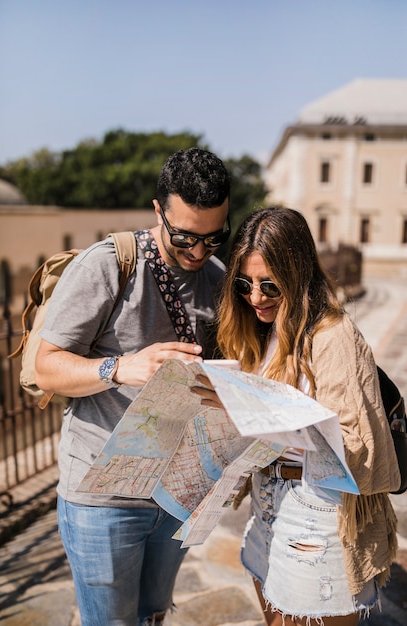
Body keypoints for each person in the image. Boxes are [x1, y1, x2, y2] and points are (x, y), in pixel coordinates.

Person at [34, 147, 231, 626]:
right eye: (185, 237)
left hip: (179, 491)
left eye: (213, 238)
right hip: (103, 499)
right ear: (157, 210)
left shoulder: (218, 277)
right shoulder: (108, 265)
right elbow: (45, 367)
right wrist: (120, 368)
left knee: (152, 613)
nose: (198, 252)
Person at [195, 206, 400, 626]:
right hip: (267, 503)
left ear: (297, 275)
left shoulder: (334, 336)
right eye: (244, 284)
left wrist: (263, 415)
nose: (255, 298)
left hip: (318, 513)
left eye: (269, 285)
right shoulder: (261, 330)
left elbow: (359, 443)